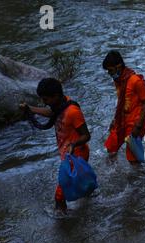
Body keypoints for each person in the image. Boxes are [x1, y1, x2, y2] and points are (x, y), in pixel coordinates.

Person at [20, 78, 91, 213]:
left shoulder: (72, 111)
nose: (44, 102)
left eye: (46, 99)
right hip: (68, 154)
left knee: (60, 195)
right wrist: (31, 109)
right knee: (80, 183)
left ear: (56, 96)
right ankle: (88, 206)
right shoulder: (59, 105)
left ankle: (61, 222)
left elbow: (86, 135)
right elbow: (51, 113)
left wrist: (73, 144)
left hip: (76, 154)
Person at [102, 50, 145, 164]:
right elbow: (121, 101)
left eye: (110, 70)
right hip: (121, 121)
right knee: (111, 148)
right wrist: (114, 120)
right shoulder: (118, 81)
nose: (109, 73)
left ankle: (137, 179)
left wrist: (138, 125)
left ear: (119, 66)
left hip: (134, 123)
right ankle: (113, 174)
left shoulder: (135, 81)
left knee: (133, 159)